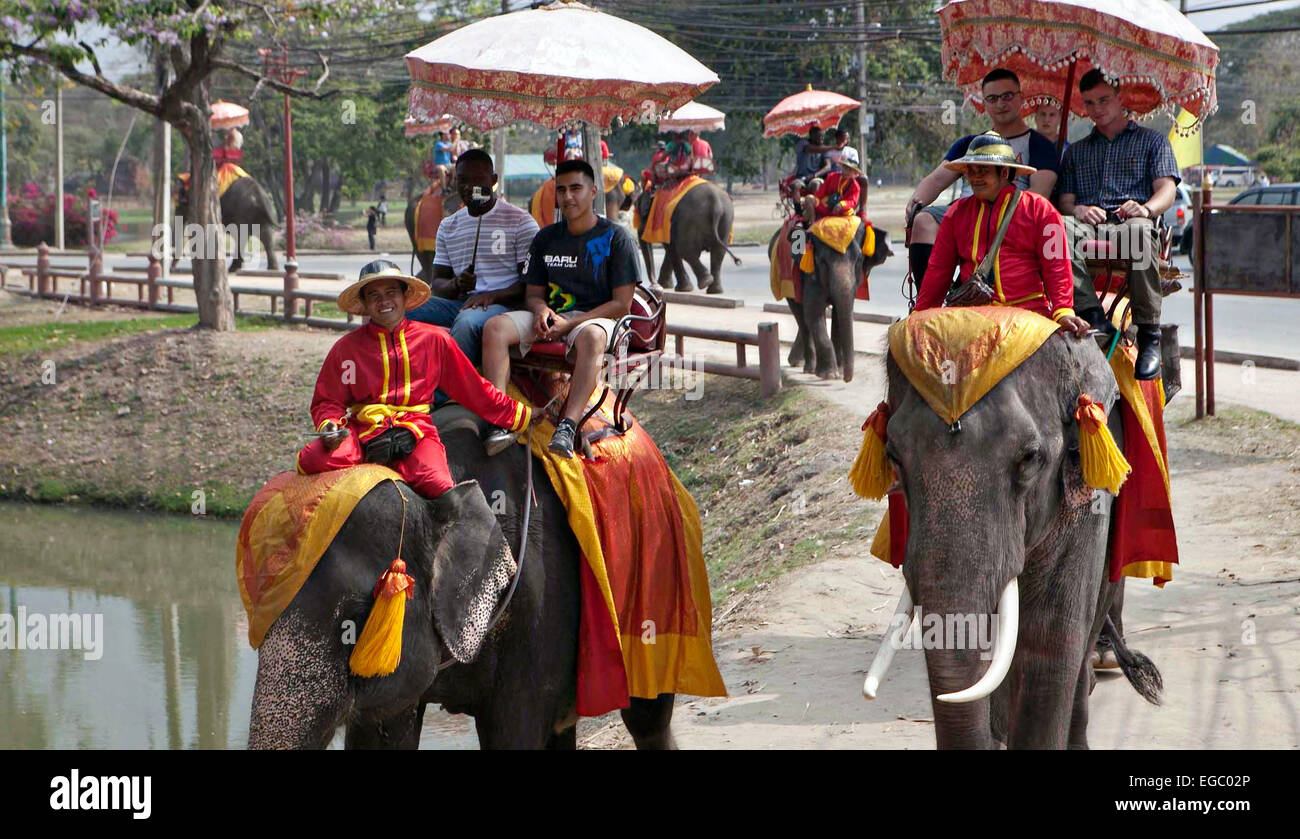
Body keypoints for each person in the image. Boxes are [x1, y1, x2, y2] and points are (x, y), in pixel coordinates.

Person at [296, 260, 532, 499]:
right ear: (365, 304)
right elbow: (327, 401)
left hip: (417, 430)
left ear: (404, 296)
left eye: (391, 292)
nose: (384, 301)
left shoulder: (435, 340)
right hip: (362, 431)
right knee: (310, 460)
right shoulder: (345, 349)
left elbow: (474, 389)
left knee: (440, 485)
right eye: (374, 295)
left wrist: (521, 414)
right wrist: (330, 425)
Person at [480, 159, 639, 458]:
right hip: (551, 318)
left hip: (597, 319)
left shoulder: (617, 238)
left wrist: (568, 325)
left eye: (576, 188)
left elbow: (621, 304)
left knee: (591, 337)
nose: (568, 197)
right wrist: (540, 311)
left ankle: (567, 425)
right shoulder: (546, 238)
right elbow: (534, 294)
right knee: (494, 327)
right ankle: (500, 418)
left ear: (594, 191)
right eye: (561, 189)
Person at [1059, 69, 1180, 380]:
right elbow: (1066, 203)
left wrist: (1145, 208)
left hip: (1131, 221)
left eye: (1104, 100)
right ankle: (1093, 315)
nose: (1097, 109)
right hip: (1090, 224)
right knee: (1054, 227)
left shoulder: (1153, 141)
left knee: (1139, 231)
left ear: (1120, 98)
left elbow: (1167, 189)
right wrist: (1080, 209)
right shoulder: (1076, 151)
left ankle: (1149, 335)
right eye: (1089, 102)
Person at [905, 69, 1062, 302]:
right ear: (984, 102)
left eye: (1007, 96)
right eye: (993, 98)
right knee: (923, 220)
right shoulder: (970, 144)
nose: (1000, 104)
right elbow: (938, 179)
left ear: (1021, 98)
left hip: (1011, 214)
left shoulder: (1040, 146)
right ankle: (926, 304)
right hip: (965, 213)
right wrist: (916, 202)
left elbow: (1039, 193)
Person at [914, 134, 1090, 338]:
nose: (975, 178)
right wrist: (921, 314)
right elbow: (938, 271)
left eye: (983, 171)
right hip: (970, 317)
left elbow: (1057, 266)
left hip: (1027, 319)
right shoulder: (956, 213)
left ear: (1005, 172)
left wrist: (1063, 312)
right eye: (970, 171)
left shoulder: (1041, 210)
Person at [407, 149, 539, 367]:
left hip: (504, 308)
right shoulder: (449, 226)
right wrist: (456, 284)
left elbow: (530, 285)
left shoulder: (520, 222)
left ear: (493, 180)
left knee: (467, 322)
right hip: (461, 303)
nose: (469, 187)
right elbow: (438, 283)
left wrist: (491, 296)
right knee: (401, 307)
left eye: (477, 180)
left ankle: (444, 397)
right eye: (463, 180)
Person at [803, 147, 864, 224]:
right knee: (809, 198)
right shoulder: (832, 177)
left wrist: (841, 204)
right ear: (842, 167)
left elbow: (852, 202)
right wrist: (810, 202)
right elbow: (820, 193)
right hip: (827, 207)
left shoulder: (856, 186)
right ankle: (812, 223)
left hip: (842, 212)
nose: (847, 171)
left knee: (849, 211)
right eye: (846, 167)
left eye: (850, 169)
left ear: (854, 171)